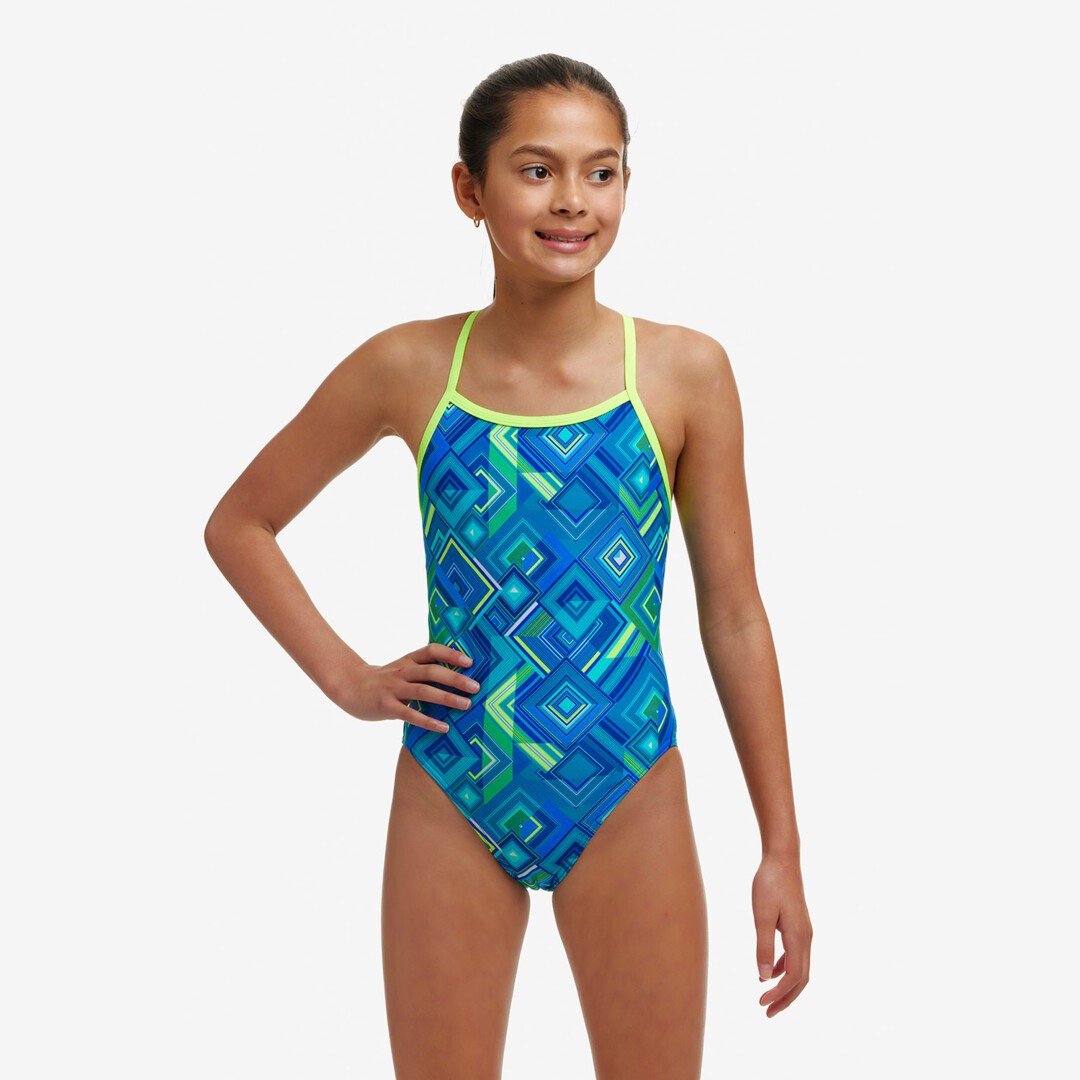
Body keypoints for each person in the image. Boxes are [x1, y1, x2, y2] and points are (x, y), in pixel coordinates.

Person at [205, 52, 812, 1080]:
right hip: (455, 782)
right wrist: (348, 679)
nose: (573, 200)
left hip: (626, 778)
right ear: (470, 189)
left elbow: (736, 615)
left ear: (626, 184)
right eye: (537, 170)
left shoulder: (683, 373)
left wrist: (780, 847)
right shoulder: (408, 367)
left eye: (601, 171)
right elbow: (241, 523)